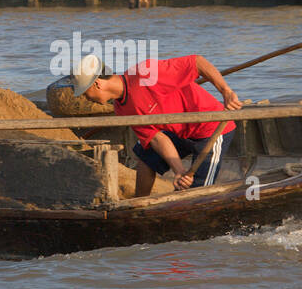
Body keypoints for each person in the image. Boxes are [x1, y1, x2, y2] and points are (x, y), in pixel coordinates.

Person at [73, 53, 243, 196]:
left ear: (97, 83)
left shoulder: (144, 74)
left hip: (211, 128)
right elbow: (156, 139)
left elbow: (196, 62)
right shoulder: (121, 109)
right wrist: (179, 172)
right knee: (147, 154)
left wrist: (226, 92)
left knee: (197, 193)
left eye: (85, 93)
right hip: (179, 132)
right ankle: (139, 204)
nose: (86, 98)